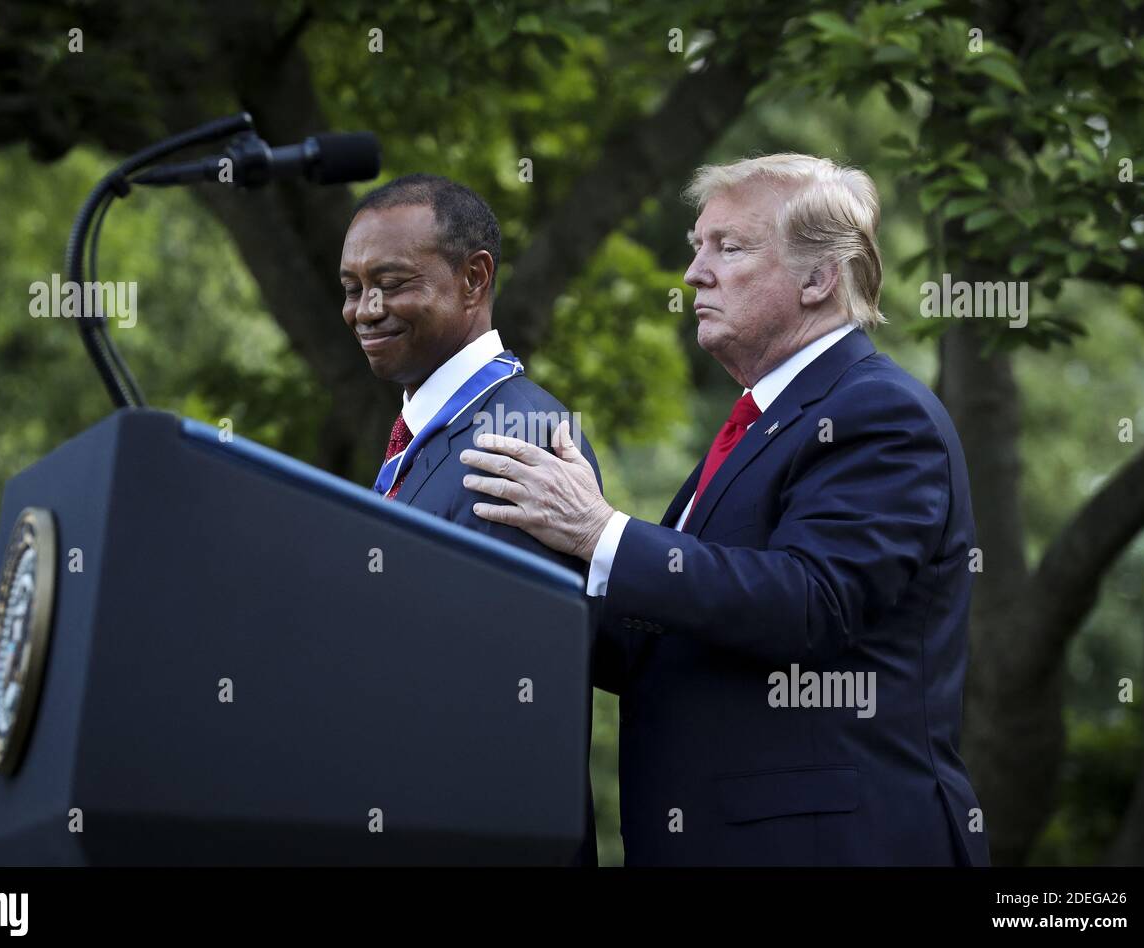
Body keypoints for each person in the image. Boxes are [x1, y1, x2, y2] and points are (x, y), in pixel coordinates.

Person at [461, 154, 989, 866]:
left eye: (728, 247)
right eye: (696, 247)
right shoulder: (759, 424)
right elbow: (660, 644)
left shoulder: (879, 412)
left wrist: (598, 531)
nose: (694, 274)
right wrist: (515, 574)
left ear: (819, 277)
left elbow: (811, 603)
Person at [339, 174, 602, 865]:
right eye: (351, 287)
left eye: (392, 283)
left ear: (473, 279)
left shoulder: (513, 438)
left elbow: (502, 704)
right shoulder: (428, 437)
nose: (365, 309)